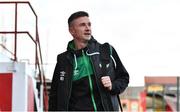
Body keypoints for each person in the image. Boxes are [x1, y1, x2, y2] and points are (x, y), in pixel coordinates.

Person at [48, 11, 129, 111]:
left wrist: (112, 85)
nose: (88, 28)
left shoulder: (106, 50)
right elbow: (54, 97)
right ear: (72, 31)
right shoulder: (63, 60)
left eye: (89, 24)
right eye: (82, 25)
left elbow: (124, 77)